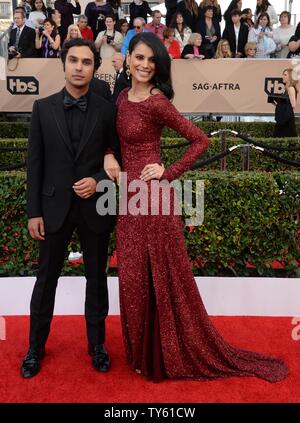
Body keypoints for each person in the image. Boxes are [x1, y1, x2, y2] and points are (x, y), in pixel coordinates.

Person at [104, 32, 288, 382]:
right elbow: (111, 138)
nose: (144, 65)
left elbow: (200, 140)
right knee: (133, 277)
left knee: (160, 275)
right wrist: (109, 154)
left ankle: (163, 355)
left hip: (154, 201)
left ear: (158, 66)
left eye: (151, 60)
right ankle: (142, 351)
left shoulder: (157, 102)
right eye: (139, 57)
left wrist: (167, 171)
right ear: (128, 59)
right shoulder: (122, 96)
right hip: (128, 198)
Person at [21, 38, 119, 379]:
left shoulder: (107, 111)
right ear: (63, 65)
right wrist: (34, 211)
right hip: (52, 208)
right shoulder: (42, 108)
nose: (79, 67)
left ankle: (97, 346)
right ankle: (35, 347)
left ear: (94, 68)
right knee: (46, 280)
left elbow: (117, 157)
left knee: (97, 280)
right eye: (74, 60)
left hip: (96, 207)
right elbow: (34, 164)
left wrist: (97, 180)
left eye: (86, 62)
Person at [273, 68, 298, 138]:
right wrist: (276, 104)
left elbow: (293, 105)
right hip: (283, 118)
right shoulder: (286, 89)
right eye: (283, 74)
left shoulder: (290, 88)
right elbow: (286, 105)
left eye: (285, 75)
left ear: (290, 77)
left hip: (286, 119)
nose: (283, 76)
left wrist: (281, 104)